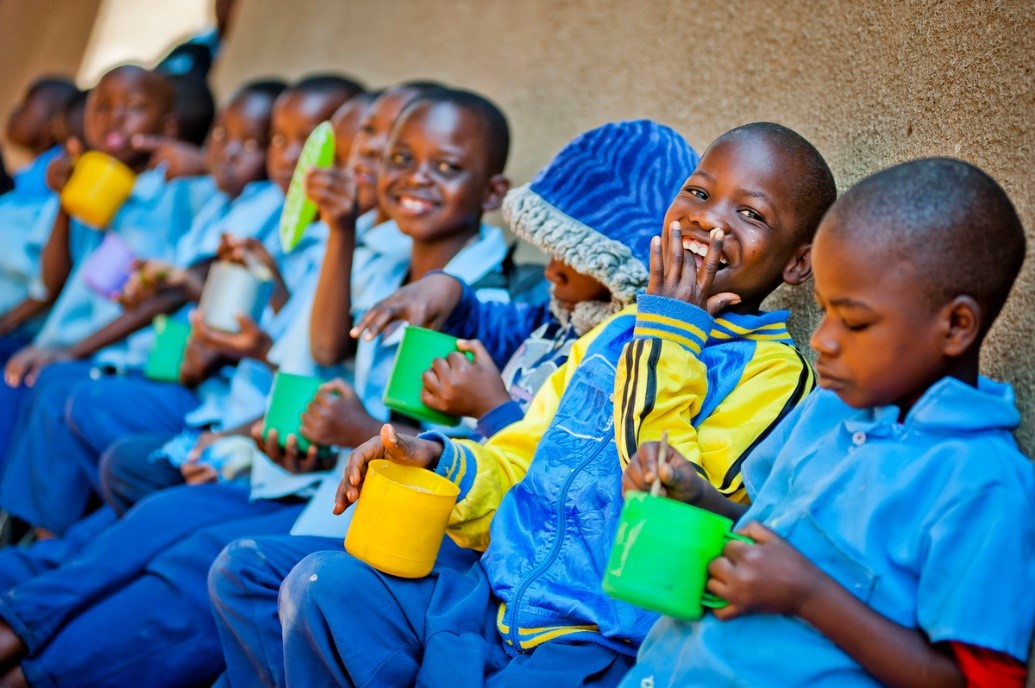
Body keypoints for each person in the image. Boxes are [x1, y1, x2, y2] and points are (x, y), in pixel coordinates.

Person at [276, 121, 835, 687]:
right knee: (320, 587)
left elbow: (666, 506)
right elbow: (520, 458)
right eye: (698, 192)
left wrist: (671, 335)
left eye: (752, 214)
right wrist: (439, 460)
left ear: (796, 264)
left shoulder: (775, 377)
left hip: (595, 643)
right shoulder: (612, 335)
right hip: (492, 600)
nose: (709, 218)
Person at [0, 85, 515, 688]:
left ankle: (37, 665)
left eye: (446, 167)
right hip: (298, 467)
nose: (411, 176)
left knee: (195, 561)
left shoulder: (494, 309)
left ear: (494, 192)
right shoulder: (379, 261)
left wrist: (336, 429)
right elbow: (325, 357)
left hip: (349, 514)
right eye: (397, 156)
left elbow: (428, 441)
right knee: (156, 516)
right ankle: (23, 619)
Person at [207, 119, 700, 688]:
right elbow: (494, 321)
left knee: (311, 591)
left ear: (624, 264)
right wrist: (448, 290)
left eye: (576, 255)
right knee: (247, 571)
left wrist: (491, 407)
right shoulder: (552, 319)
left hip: (502, 567)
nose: (552, 269)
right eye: (549, 248)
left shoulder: (626, 361)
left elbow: (559, 485)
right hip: (450, 517)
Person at [619, 157, 1034, 688]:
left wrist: (808, 597)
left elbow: (979, 682)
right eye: (823, 310)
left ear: (955, 326)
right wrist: (693, 495)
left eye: (854, 320)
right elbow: (759, 530)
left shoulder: (981, 485)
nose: (822, 339)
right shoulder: (827, 410)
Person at [0, 78, 291, 536]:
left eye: (252, 143)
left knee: (64, 392)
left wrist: (74, 351)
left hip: (187, 382)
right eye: (221, 135)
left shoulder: (206, 195)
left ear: (168, 129)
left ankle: (38, 541)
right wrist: (64, 199)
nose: (229, 152)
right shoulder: (134, 189)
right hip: (167, 367)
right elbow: (57, 281)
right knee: (45, 384)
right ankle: (32, 540)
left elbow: (180, 292)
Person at [0, 77, 79, 350]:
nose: (14, 112)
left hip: (20, 327)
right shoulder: (31, 175)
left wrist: (10, 320)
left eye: (26, 105)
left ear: (54, 125)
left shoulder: (50, 174)